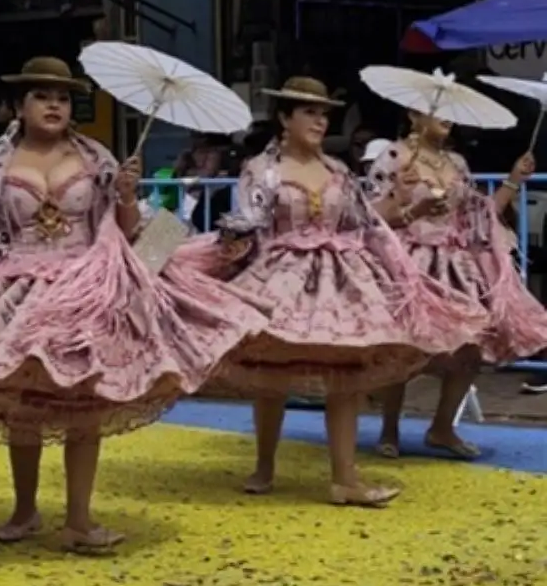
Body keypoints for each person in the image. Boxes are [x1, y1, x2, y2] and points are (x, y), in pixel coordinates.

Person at [0, 58, 266, 550]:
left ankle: (79, 521)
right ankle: (24, 511)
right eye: (42, 97)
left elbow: (129, 231)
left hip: (85, 290)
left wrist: (126, 195)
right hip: (17, 290)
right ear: (19, 106)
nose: (54, 106)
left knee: (85, 403)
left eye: (63, 98)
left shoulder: (97, 160)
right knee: (24, 402)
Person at [187, 77, 482, 506]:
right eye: (309, 112)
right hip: (280, 278)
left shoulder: (338, 170)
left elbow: (367, 224)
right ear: (285, 118)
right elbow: (249, 224)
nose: (320, 121)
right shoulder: (262, 169)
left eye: (324, 114)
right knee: (272, 369)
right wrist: (225, 251)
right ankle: (264, 464)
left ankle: (345, 478)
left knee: (346, 369)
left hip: (340, 279)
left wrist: (407, 206)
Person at [367, 110, 547, 459]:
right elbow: (371, 215)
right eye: (438, 111)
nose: (447, 118)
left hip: (457, 267)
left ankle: (442, 427)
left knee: (471, 345)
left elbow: (481, 216)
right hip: (408, 265)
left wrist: (513, 180)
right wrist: (412, 207)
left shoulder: (456, 163)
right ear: (414, 114)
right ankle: (389, 429)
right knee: (403, 346)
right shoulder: (393, 156)